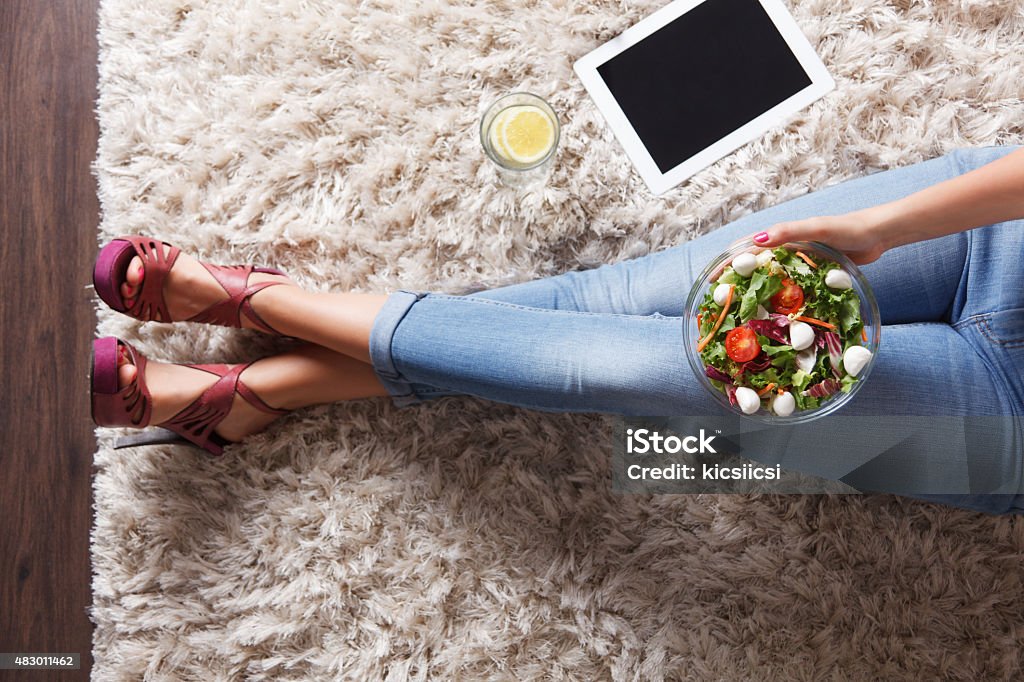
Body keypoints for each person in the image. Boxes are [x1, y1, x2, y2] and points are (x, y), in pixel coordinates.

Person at [91, 146, 1024, 513]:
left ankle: (263, 305)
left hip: (1004, 430)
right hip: (995, 232)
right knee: (614, 299)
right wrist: (887, 226)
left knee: (620, 372)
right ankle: (261, 391)